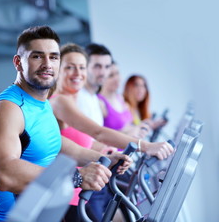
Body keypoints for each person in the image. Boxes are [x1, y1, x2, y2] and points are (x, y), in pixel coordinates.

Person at [0, 26, 132, 222]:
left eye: (53, 57)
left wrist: (105, 159)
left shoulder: (41, 104)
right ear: (18, 62)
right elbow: (3, 173)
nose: (47, 64)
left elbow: (58, 145)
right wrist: (76, 178)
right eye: (37, 56)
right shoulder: (8, 108)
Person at [49, 43, 174, 221]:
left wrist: (109, 154)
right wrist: (145, 146)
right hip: (68, 195)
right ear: (58, 70)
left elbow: (87, 142)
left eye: (81, 67)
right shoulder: (60, 101)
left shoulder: (73, 101)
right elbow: (98, 132)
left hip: (82, 192)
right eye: (69, 67)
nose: (77, 73)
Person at [98, 63, 150, 139]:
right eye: (111, 75)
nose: (117, 78)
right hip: (114, 150)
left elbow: (127, 126)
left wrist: (137, 128)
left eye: (117, 73)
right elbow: (98, 135)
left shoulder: (120, 99)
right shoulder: (100, 103)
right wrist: (131, 131)